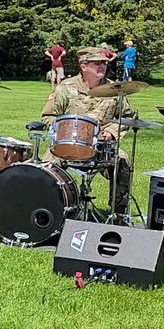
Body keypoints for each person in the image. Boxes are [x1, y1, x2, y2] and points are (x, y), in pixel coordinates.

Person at [41, 46, 136, 214]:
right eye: (97, 63)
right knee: (47, 167)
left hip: (101, 146)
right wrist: (62, 130)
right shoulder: (66, 87)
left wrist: (113, 131)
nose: (102, 66)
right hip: (69, 143)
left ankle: (118, 213)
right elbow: (48, 115)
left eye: (105, 63)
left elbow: (128, 116)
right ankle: (49, 209)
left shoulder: (115, 90)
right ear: (84, 66)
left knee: (123, 161)